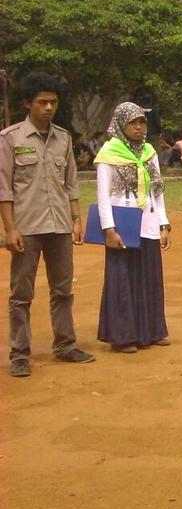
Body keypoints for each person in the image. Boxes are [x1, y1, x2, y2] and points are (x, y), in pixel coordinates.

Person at [1, 71, 96, 377]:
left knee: (63, 289)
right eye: (42, 102)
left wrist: (76, 219)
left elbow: (70, 183)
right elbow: (4, 188)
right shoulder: (10, 139)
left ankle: (65, 344)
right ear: (28, 103)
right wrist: (10, 228)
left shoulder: (63, 138)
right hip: (26, 228)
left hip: (58, 226)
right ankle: (19, 353)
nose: (48, 108)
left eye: (53, 102)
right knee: (21, 294)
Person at [94, 102, 171, 353]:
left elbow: (156, 191)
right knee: (122, 278)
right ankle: (123, 336)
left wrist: (164, 223)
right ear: (120, 124)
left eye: (142, 122)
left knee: (149, 277)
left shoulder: (149, 152)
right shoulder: (109, 153)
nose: (138, 127)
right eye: (133, 123)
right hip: (122, 224)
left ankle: (152, 330)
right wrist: (109, 228)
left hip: (147, 221)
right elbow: (103, 195)